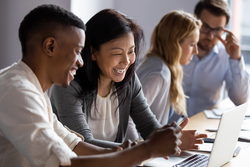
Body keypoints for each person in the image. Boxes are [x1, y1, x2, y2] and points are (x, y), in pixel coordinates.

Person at [0, 4, 183, 167]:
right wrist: (147, 149)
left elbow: (71, 143)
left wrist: (129, 152)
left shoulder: (33, 87)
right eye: (78, 52)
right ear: (50, 47)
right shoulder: (17, 91)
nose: (81, 62)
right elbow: (65, 162)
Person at [51, 9, 207, 150]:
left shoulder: (128, 80)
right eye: (118, 53)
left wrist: (173, 139)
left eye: (131, 51)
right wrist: (146, 148)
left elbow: (148, 126)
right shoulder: (68, 84)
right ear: (93, 52)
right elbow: (83, 145)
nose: (126, 61)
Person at [182, 0, 250, 117]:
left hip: (205, 126)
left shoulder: (226, 54)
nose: (210, 36)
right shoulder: (176, 48)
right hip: (172, 126)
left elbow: (241, 100)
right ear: (194, 21)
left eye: (217, 30)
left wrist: (236, 58)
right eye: (205, 27)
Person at [136, 10, 201, 125]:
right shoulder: (159, 74)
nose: (196, 51)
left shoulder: (156, 63)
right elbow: (131, 118)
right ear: (174, 43)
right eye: (192, 45)